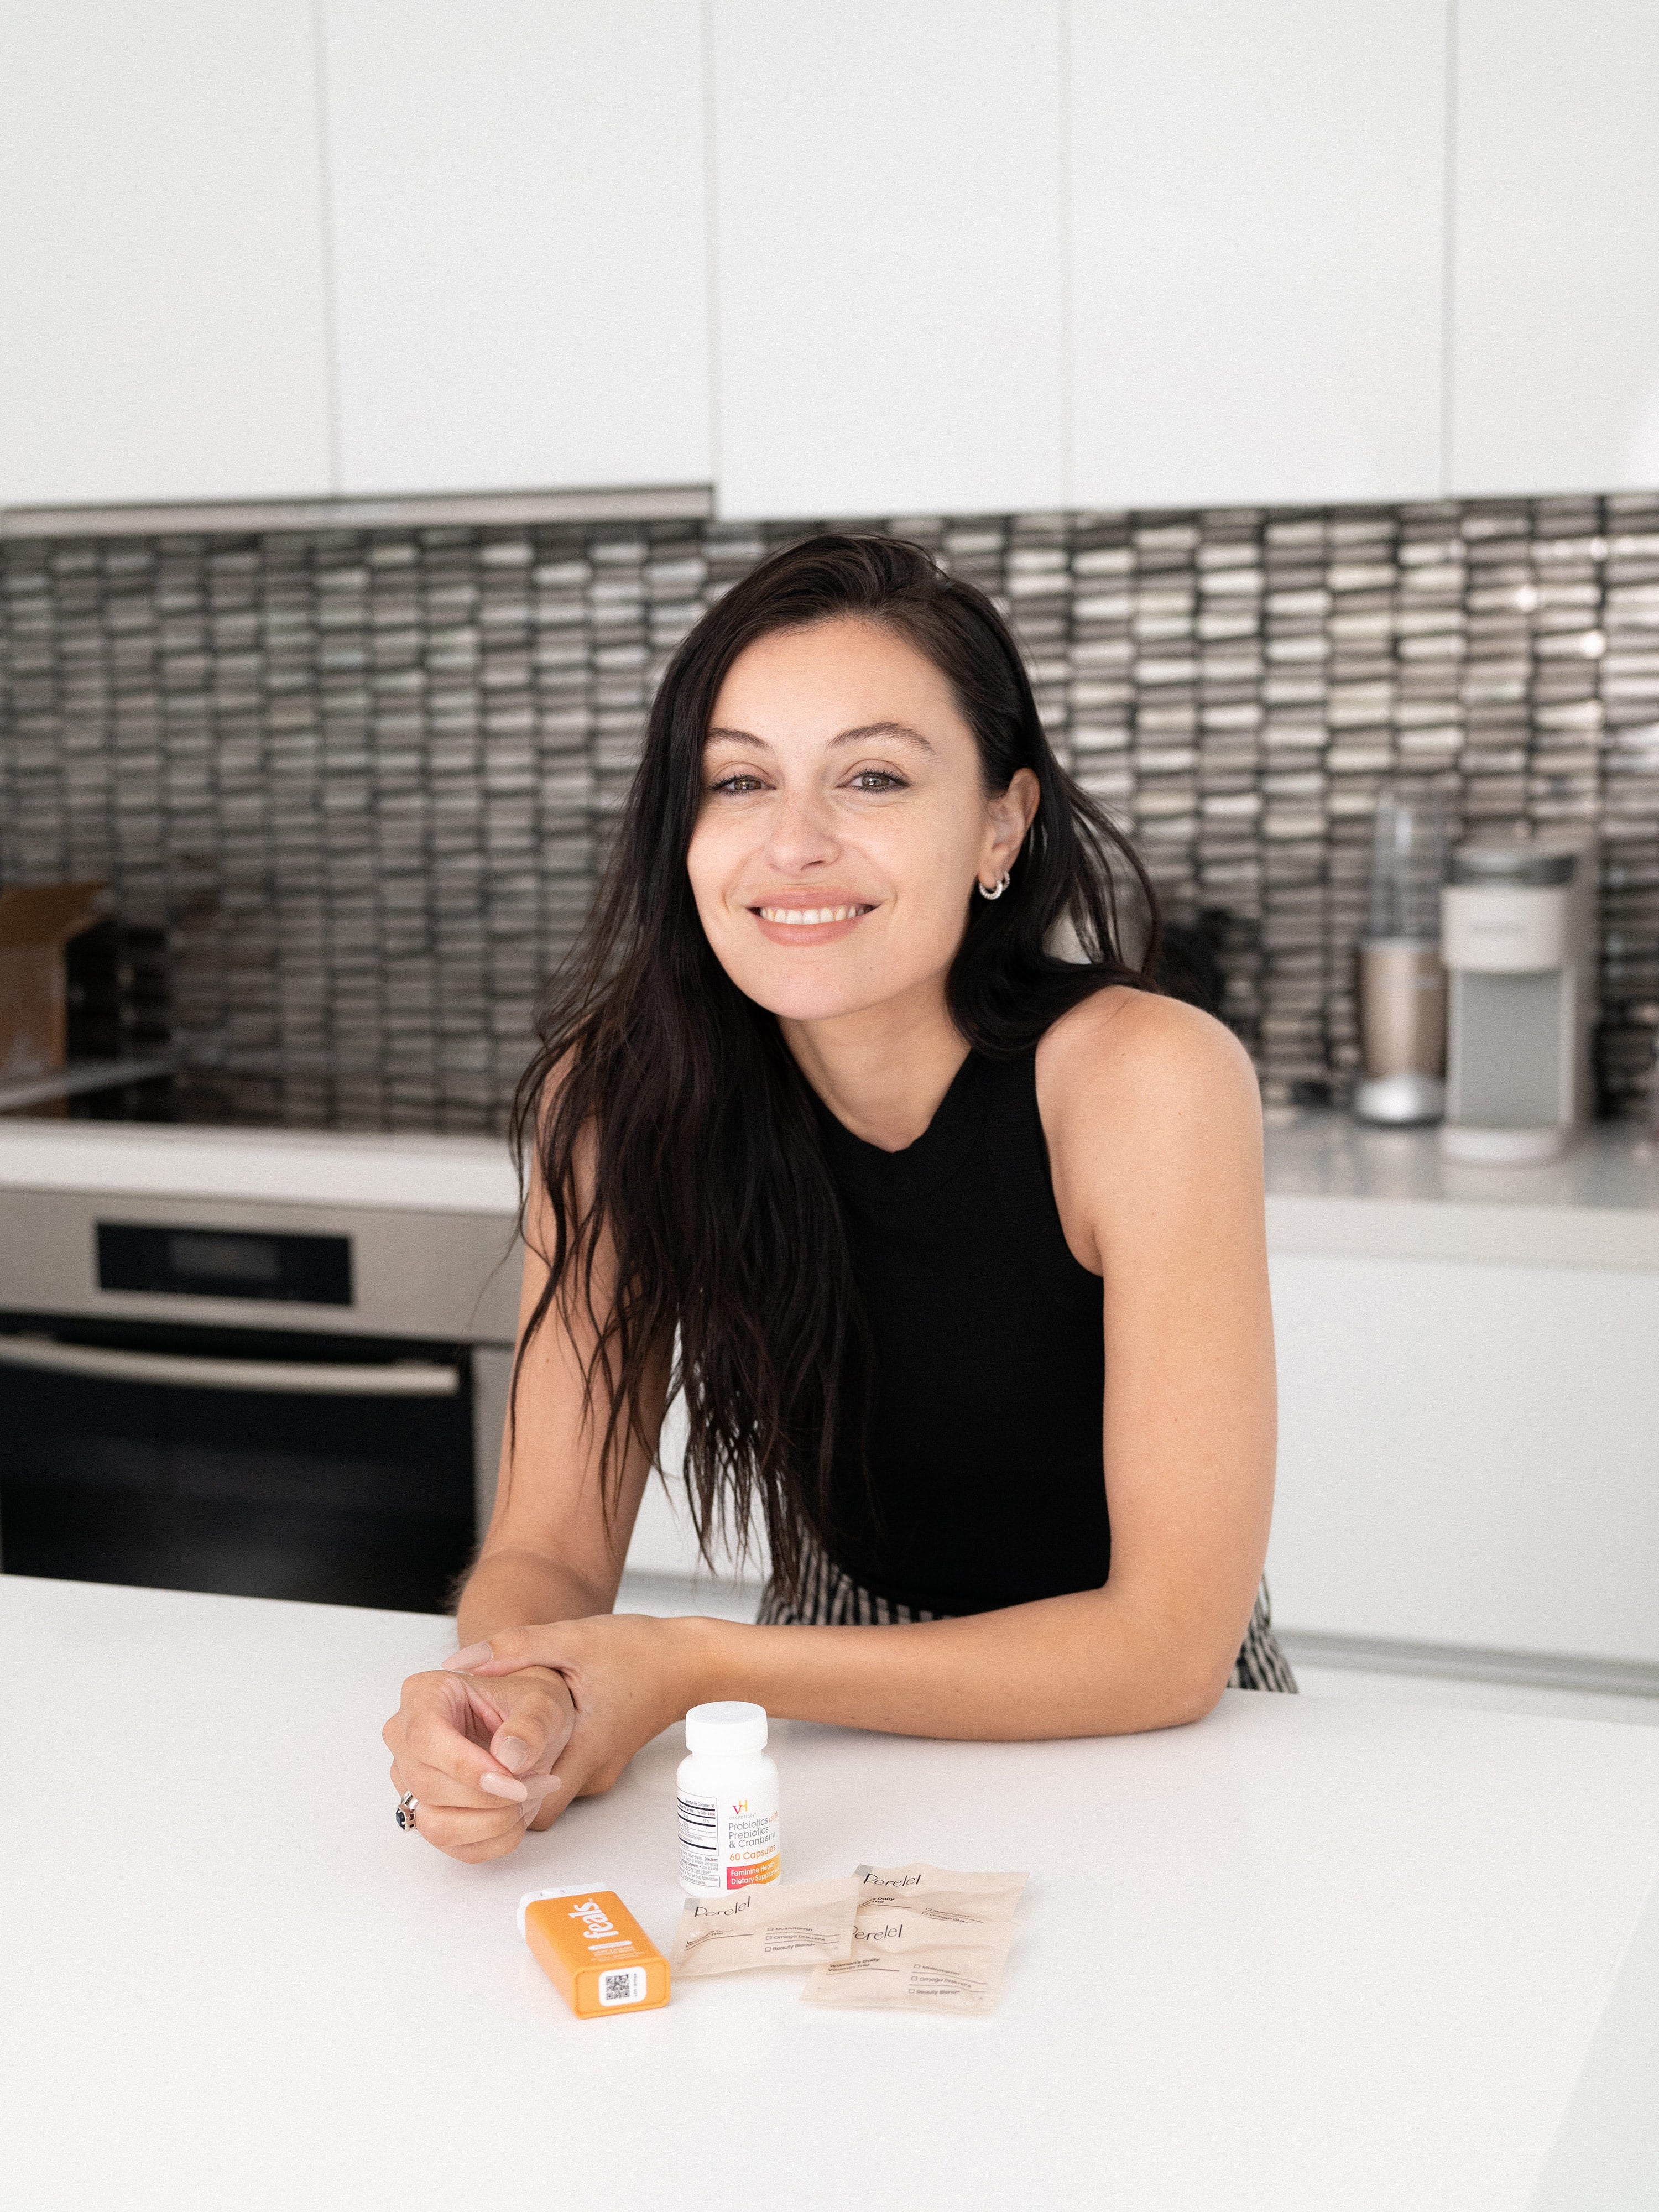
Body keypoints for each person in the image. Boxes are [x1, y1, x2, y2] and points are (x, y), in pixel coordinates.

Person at [383, 534, 1290, 1862]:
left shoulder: (1146, 1080)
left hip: (1147, 1738)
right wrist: (518, 1691)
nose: (795, 843)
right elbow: (548, 1547)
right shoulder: (620, 1096)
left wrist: (691, 1664)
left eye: (871, 776)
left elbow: (1163, 1646)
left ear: (1002, 820)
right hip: (820, 1720)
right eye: (739, 780)